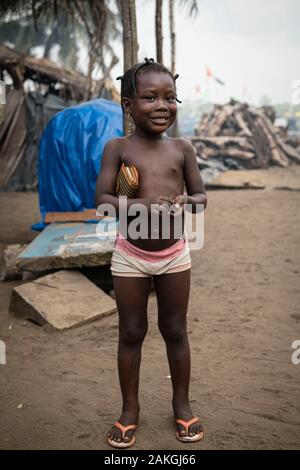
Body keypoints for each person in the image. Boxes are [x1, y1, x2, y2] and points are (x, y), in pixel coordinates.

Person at [95, 58, 207, 448]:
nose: (163, 105)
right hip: (130, 254)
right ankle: (130, 410)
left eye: (170, 97)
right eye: (150, 97)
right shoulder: (118, 148)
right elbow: (103, 202)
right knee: (131, 332)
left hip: (174, 254)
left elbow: (201, 198)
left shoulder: (182, 148)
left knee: (175, 330)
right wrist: (140, 207)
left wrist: (185, 201)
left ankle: (182, 403)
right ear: (128, 104)